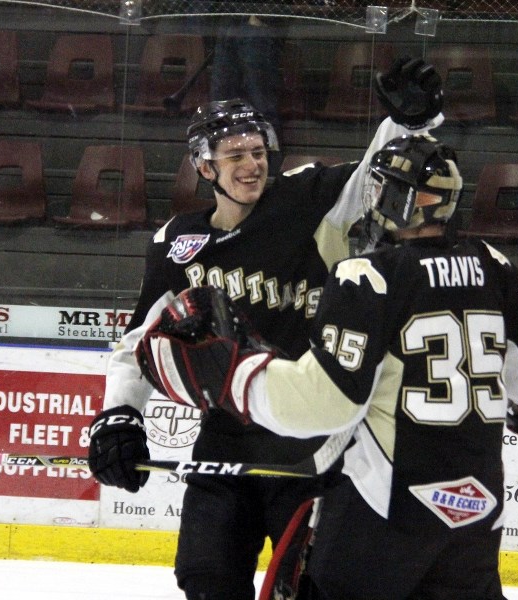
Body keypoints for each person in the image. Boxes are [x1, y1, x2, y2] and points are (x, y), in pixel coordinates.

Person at [138, 134, 518, 600]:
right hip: (474, 512)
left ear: (396, 199)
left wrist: (233, 376)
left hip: (384, 514)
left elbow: (326, 405)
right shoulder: (494, 265)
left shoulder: (370, 276)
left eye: (378, 189)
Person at [86, 56, 444, 600]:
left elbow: (379, 171)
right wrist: (117, 418)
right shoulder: (178, 242)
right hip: (224, 436)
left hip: (308, 438)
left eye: (257, 153)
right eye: (235, 156)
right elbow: (141, 339)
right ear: (205, 169)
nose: (251, 165)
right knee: (205, 577)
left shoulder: (304, 200)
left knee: (306, 585)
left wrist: (410, 123)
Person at [210, 15, 285, 174]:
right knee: (221, 103)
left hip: (257, 26)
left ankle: (270, 172)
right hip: (228, 24)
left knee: (262, 104)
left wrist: (258, 17)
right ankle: (224, 167)